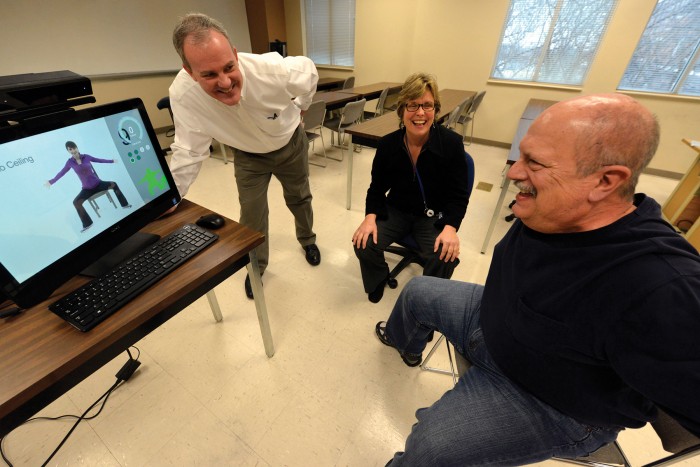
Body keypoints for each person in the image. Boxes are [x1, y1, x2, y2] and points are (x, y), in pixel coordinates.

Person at [375, 93, 700, 465]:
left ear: (605, 181)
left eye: (535, 162)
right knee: (417, 291)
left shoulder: (663, 286)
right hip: (494, 319)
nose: (513, 172)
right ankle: (407, 346)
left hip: (546, 397)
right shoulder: (552, 208)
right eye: (521, 155)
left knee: (429, 449)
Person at [167, 13, 321, 299]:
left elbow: (309, 73)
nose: (225, 82)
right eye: (209, 75)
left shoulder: (271, 70)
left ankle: (308, 239)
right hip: (249, 156)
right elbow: (189, 150)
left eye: (229, 67)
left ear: (236, 55)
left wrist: (302, 105)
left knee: (299, 197)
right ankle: (256, 266)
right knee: (251, 215)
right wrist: (171, 198)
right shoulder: (184, 95)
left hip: (290, 145)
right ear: (189, 72)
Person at [352, 73, 469, 303]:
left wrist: (450, 227)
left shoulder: (451, 144)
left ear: (435, 110)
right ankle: (378, 278)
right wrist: (369, 217)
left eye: (427, 105)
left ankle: (428, 300)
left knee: (444, 256)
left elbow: (458, 195)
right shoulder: (387, 145)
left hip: (432, 215)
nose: (420, 113)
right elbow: (376, 189)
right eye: (413, 105)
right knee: (363, 243)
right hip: (397, 210)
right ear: (401, 110)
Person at [45, 141, 131, 232]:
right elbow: (61, 173)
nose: (73, 150)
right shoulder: (70, 162)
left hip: (98, 184)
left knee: (114, 184)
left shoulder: (86, 157)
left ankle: (125, 205)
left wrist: (112, 161)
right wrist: (51, 182)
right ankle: (87, 224)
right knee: (76, 202)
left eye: (74, 148)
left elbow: (99, 160)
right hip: (87, 189)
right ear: (68, 151)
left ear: (77, 148)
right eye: (70, 149)